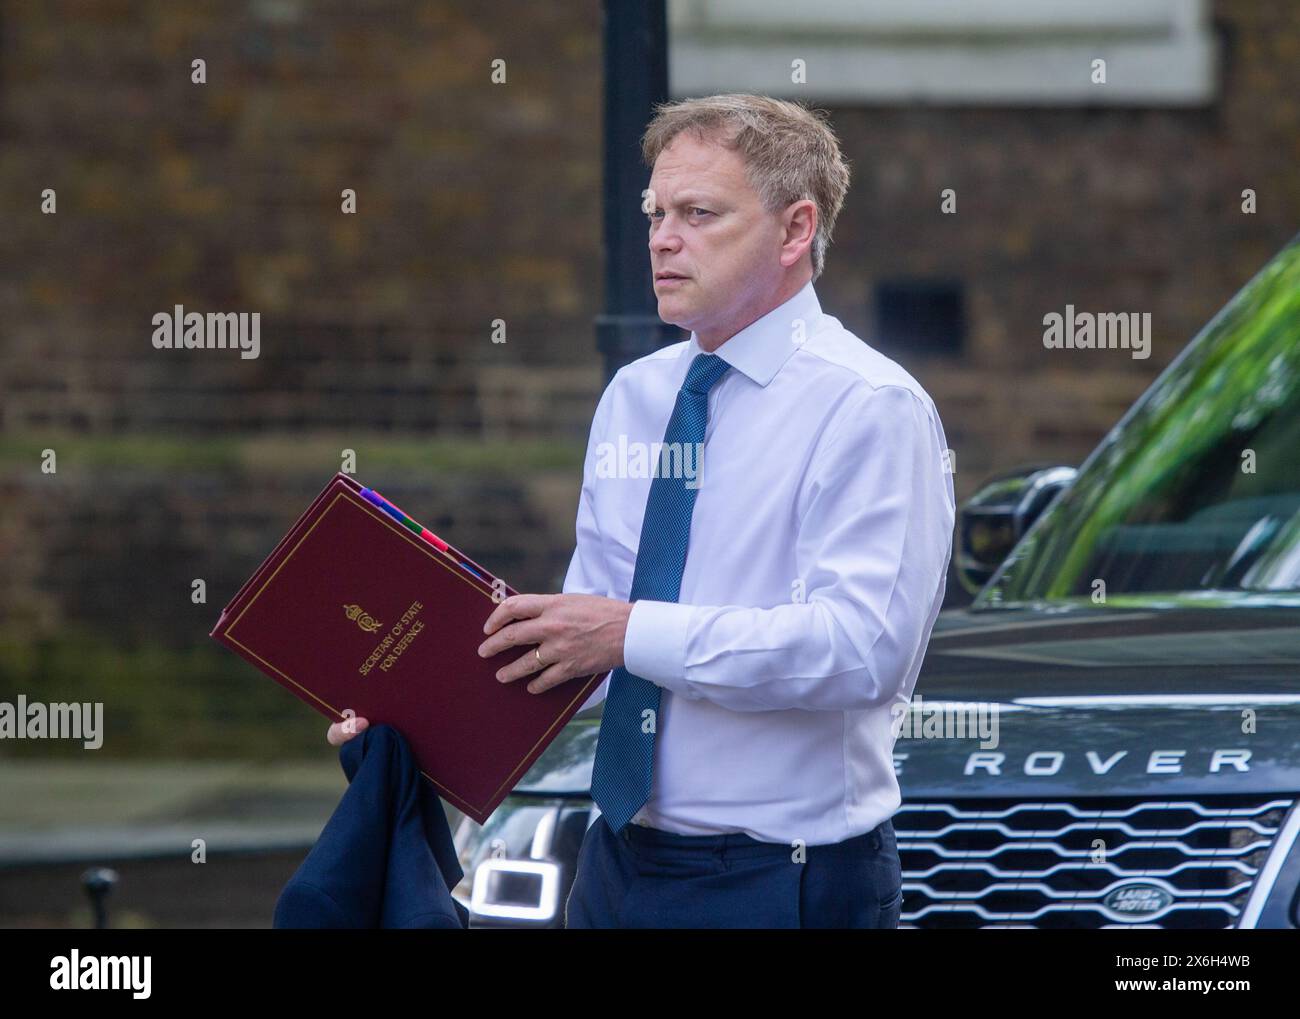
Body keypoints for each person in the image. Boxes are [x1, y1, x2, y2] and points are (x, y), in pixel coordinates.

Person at [329, 92, 955, 929]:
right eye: (657, 211)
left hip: (780, 878)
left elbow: (860, 648)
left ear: (795, 230)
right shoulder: (637, 395)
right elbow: (585, 650)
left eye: (699, 213)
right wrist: (415, 713)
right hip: (615, 859)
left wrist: (630, 632)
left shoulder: (870, 406)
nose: (662, 237)